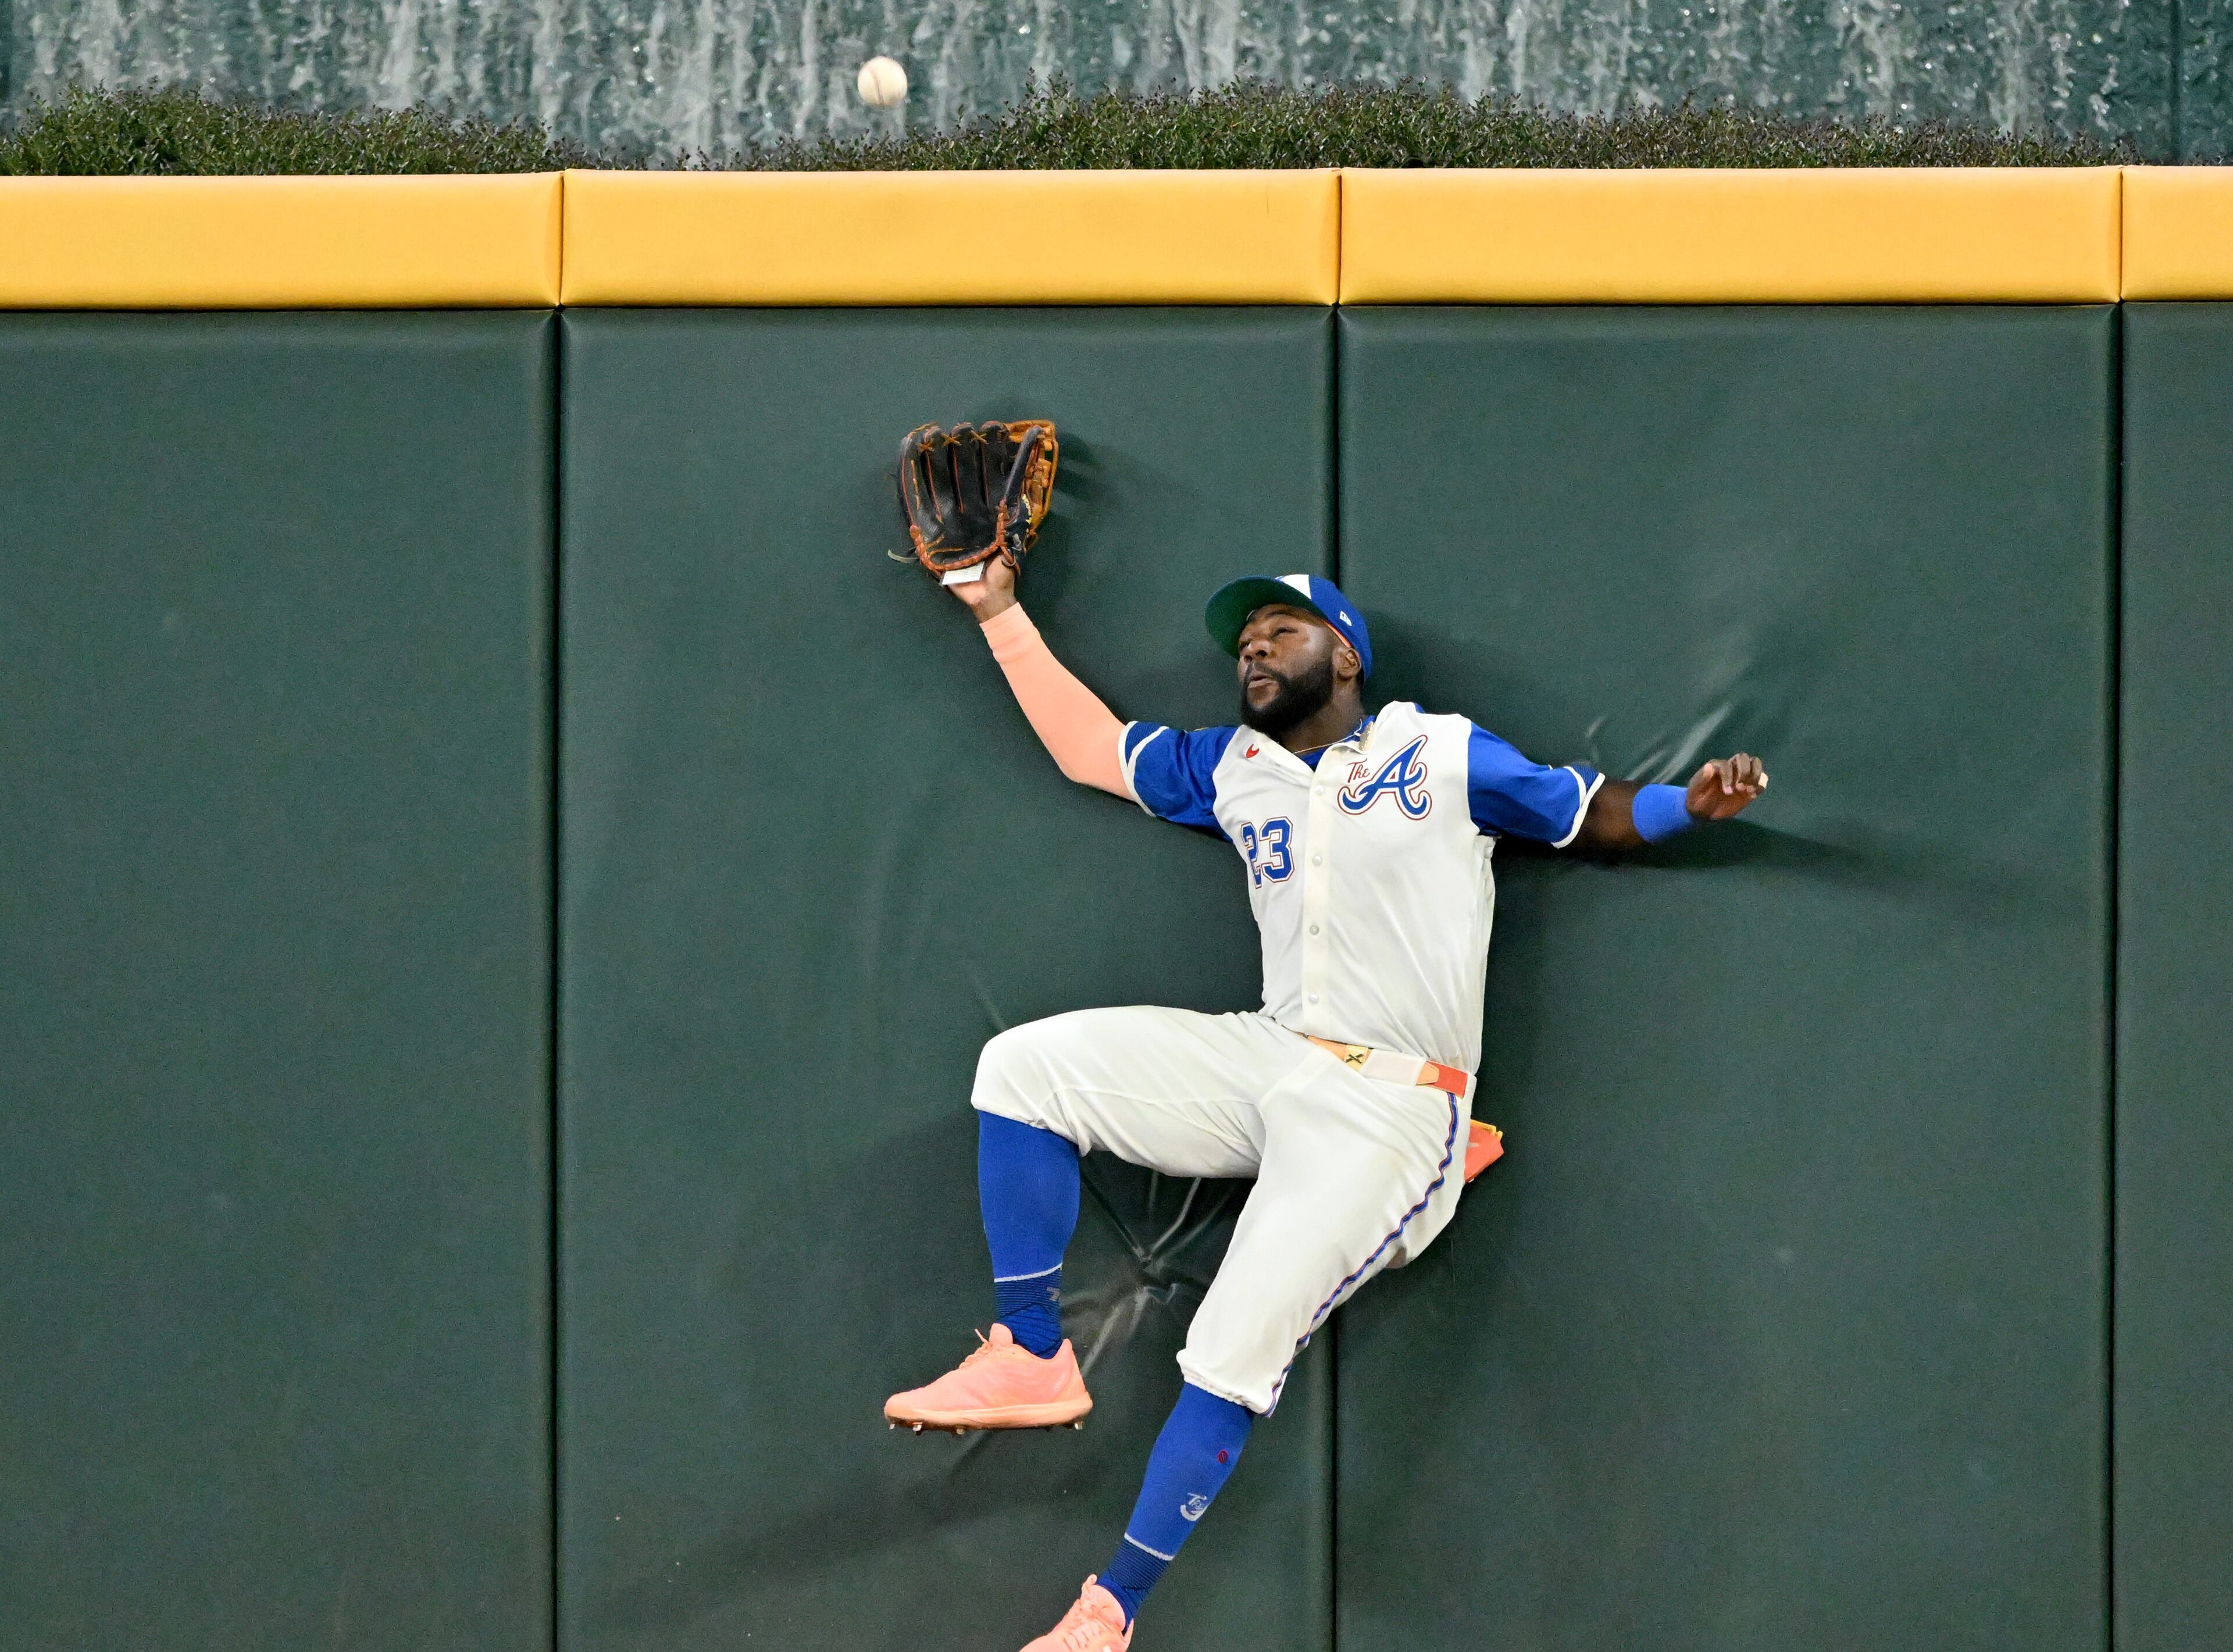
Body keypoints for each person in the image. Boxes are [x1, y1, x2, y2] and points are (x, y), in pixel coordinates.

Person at [883, 551, 1767, 1651]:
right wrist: (1000, 611)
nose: (1252, 645)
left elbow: (1592, 814)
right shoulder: (1235, 765)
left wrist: (1695, 803)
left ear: (1344, 653)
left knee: (1228, 1343)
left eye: (1279, 629)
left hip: (1395, 1100)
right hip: (1274, 1057)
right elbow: (1090, 749)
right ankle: (1032, 1348)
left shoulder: (1439, 752)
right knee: (1022, 1068)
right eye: (1243, 636)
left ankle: (1103, 1618)